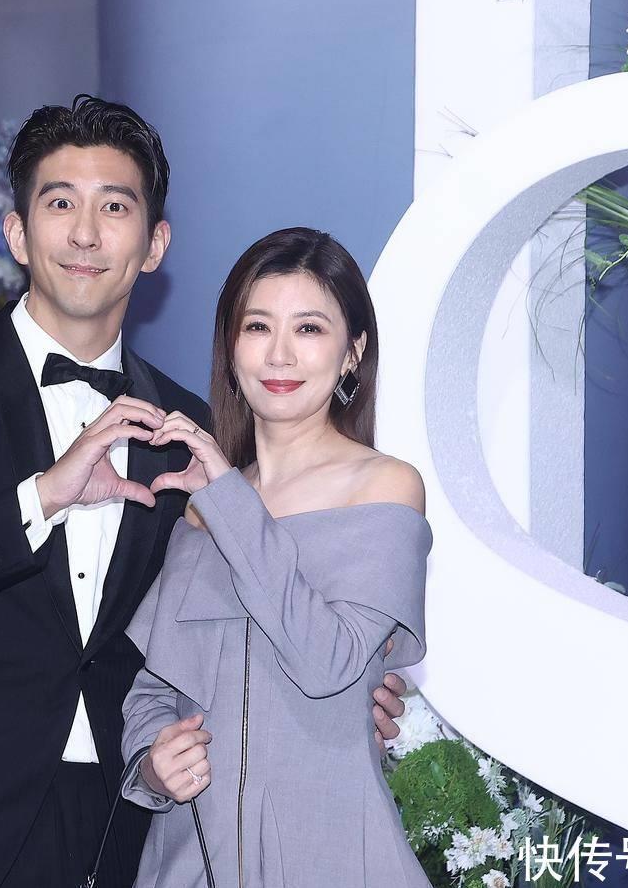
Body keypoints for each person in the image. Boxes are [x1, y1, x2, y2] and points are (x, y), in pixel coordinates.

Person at [0, 97, 413, 887]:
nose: (85, 234)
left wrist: (351, 699)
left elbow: (235, 626)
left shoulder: (192, 432)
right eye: (59, 204)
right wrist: (42, 496)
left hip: (125, 824)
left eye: (114, 207)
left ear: (154, 244)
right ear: (17, 233)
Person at [121, 226, 434, 887]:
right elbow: (155, 690)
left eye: (310, 329)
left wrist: (230, 501)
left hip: (332, 859)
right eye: (257, 327)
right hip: (192, 862)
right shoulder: (202, 510)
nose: (280, 354)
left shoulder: (384, 487)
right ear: (232, 349)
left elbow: (328, 663)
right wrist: (152, 762)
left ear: (352, 352)